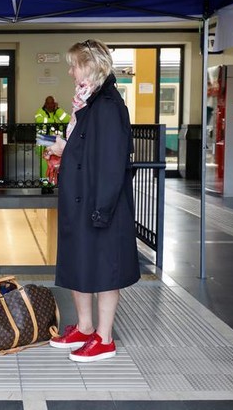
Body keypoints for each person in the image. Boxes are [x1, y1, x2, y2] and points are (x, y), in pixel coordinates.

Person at [45, 39, 140, 362]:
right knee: (79, 265)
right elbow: (85, 152)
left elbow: (111, 163)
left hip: (101, 204)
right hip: (80, 200)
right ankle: (85, 327)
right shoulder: (88, 102)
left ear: (89, 65)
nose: (70, 72)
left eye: (73, 65)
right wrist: (64, 150)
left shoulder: (109, 105)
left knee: (103, 270)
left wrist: (102, 209)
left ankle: (104, 337)